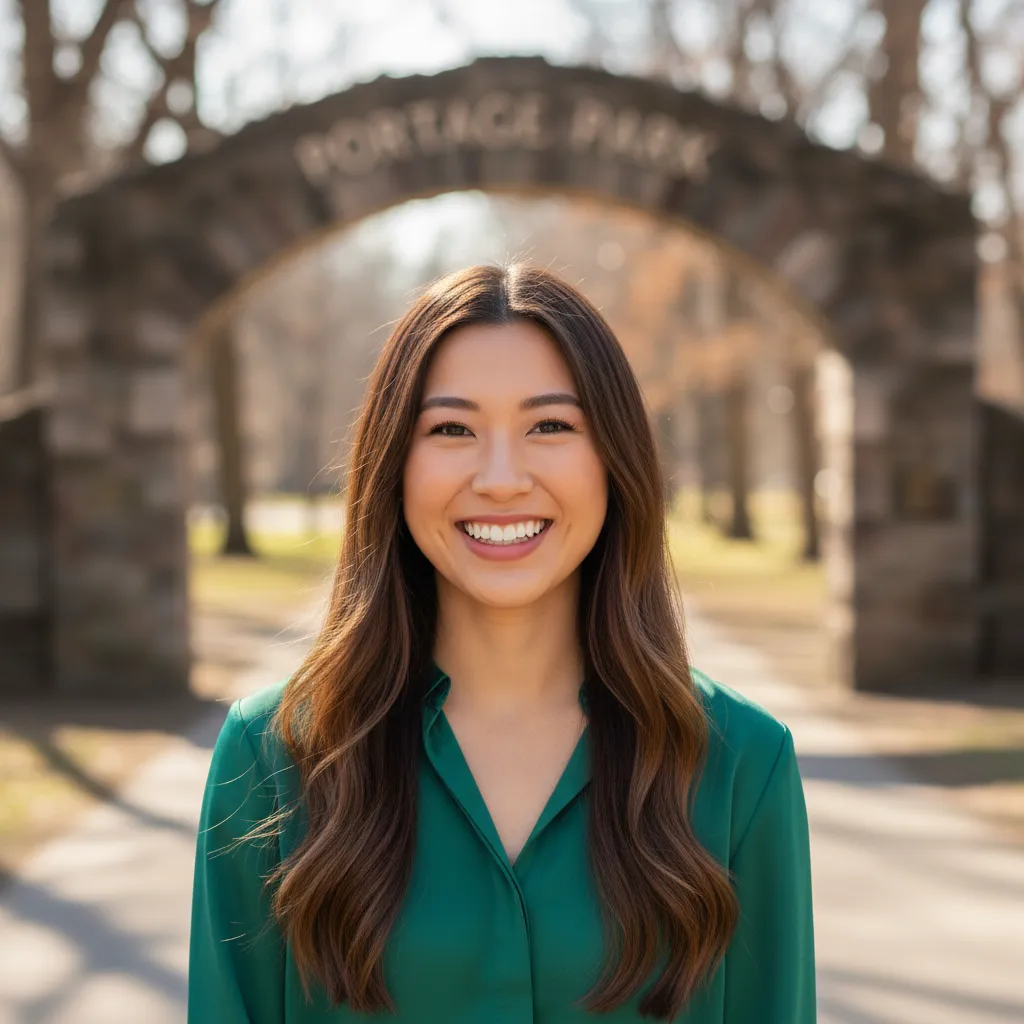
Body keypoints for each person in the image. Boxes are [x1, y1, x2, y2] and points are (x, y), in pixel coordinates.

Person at [187, 263, 816, 1023]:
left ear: (614, 460)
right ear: (394, 464)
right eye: (451, 429)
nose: (501, 478)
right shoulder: (271, 754)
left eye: (550, 426)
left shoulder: (743, 763)